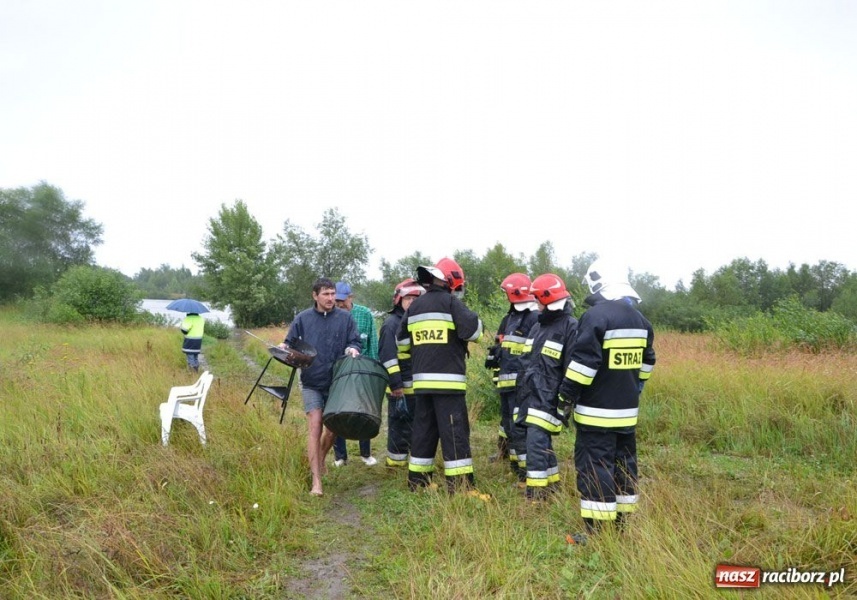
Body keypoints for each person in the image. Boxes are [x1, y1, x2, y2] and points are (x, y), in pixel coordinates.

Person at [558, 259, 656, 542]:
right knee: (625, 464)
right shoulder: (641, 321)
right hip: (627, 413)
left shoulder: (596, 317)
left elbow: (584, 365)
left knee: (595, 465)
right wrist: (634, 387)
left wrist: (566, 394)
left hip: (595, 412)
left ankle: (597, 533)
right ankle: (623, 525)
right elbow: (647, 362)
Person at [397, 257, 483, 492]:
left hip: (422, 384)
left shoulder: (414, 306)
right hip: (449, 384)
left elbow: (402, 343)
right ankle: (461, 486)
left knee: (423, 431)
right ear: (451, 281)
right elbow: (474, 332)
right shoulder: (451, 303)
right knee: (454, 432)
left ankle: (418, 482)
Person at [281, 277, 362, 496]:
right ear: (315, 296)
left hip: (337, 382)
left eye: (332, 293)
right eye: (325, 294)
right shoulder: (303, 319)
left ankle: (321, 458)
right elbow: (289, 343)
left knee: (333, 428)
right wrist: (283, 347)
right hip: (311, 381)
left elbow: (355, 341)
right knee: (315, 426)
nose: (330, 298)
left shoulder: (345, 318)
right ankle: (316, 481)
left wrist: (352, 349)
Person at [515, 273, 578, 501]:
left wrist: (564, 398)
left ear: (547, 299)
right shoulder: (537, 327)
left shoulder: (570, 327)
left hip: (550, 395)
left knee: (536, 441)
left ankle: (536, 493)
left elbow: (571, 366)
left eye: (538, 300)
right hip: (531, 393)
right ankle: (551, 486)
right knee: (541, 440)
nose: (536, 305)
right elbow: (527, 360)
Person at [484, 273, 540, 483]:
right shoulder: (508, 319)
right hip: (506, 384)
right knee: (509, 426)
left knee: (519, 428)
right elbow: (500, 343)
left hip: (522, 385)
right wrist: (495, 353)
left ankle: (526, 473)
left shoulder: (534, 319)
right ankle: (515, 465)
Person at [332, 281, 380, 466]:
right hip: (338, 372)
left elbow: (373, 344)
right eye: (336, 301)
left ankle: (365, 453)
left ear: (351, 298)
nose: (339, 304)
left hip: (362, 371)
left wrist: (373, 369)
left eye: (342, 300)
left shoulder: (365, 314)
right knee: (338, 411)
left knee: (363, 411)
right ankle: (340, 456)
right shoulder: (331, 316)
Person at [378, 278, 425, 467]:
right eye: (409, 299)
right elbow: (388, 357)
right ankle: (395, 466)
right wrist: (396, 384)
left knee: (416, 426)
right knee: (399, 427)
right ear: (398, 300)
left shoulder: (416, 321)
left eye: (416, 299)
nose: (413, 302)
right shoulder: (391, 324)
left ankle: (412, 460)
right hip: (401, 387)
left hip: (417, 385)